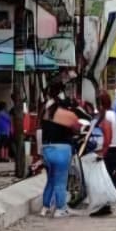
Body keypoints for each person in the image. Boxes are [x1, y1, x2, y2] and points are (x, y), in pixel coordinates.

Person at [40, 82, 80, 218]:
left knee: (50, 179)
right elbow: (77, 129)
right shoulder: (69, 115)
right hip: (62, 150)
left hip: (46, 149)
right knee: (60, 180)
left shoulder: (46, 113)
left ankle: (45, 207)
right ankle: (60, 208)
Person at [94, 91, 116, 217]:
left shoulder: (106, 116)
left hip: (108, 149)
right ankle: (105, 205)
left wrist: (103, 151)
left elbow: (107, 134)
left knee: (103, 178)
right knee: (108, 177)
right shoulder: (113, 114)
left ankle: (104, 205)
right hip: (113, 148)